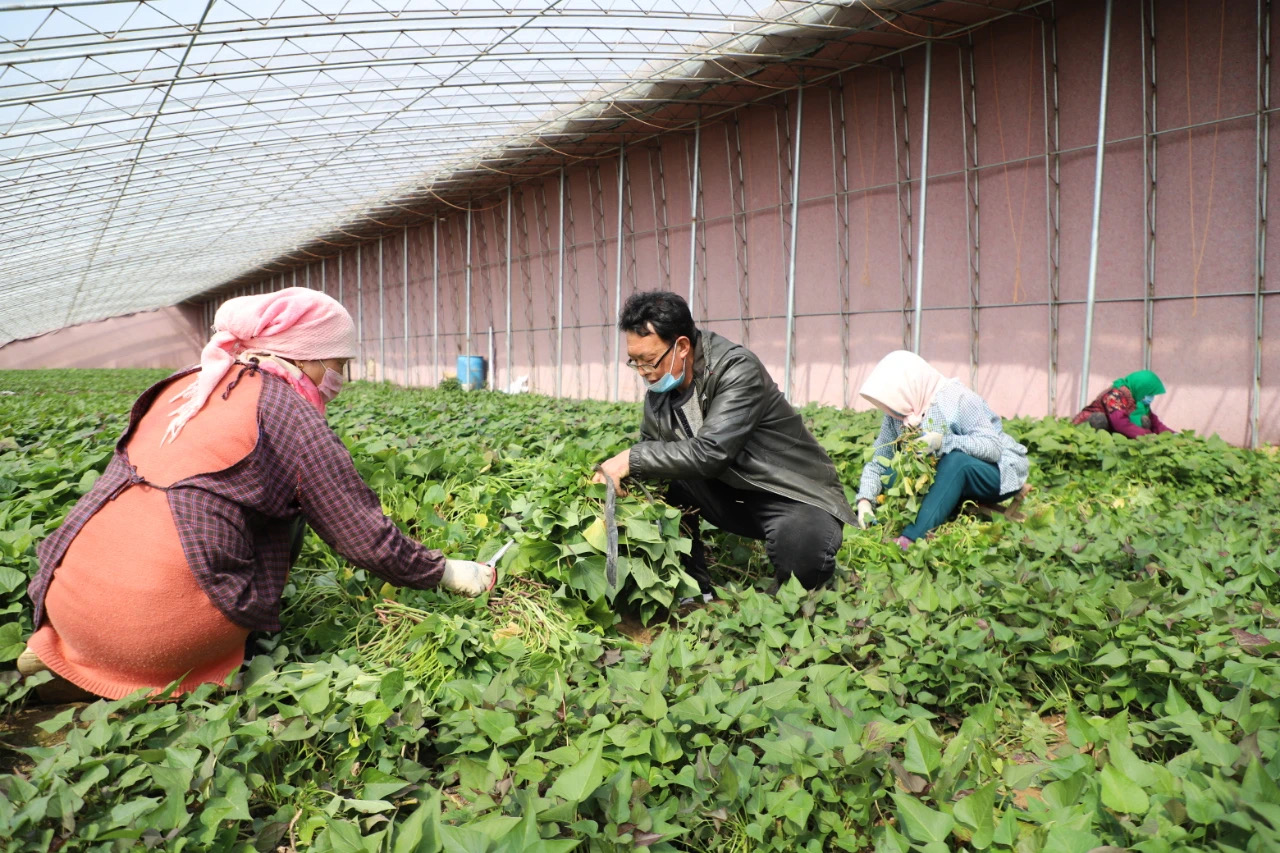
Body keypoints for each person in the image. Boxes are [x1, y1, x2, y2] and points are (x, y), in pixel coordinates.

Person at [17, 287, 493, 703]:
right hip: (165, 634)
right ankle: (177, 665)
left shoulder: (188, 384)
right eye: (337, 363)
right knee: (300, 501)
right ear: (306, 355)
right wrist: (449, 572)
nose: (340, 378)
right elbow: (362, 536)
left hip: (68, 602)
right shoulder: (288, 412)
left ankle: (70, 655)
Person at [591, 291, 855, 594]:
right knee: (663, 484)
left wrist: (629, 458)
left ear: (682, 346)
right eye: (635, 362)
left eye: (649, 361)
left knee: (802, 551)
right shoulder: (659, 395)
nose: (645, 374)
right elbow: (655, 451)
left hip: (787, 491)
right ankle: (695, 589)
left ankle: (781, 604)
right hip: (730, 492)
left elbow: (711, 452)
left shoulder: (736, 369)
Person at [855, 350, 1029, 550]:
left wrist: (944, 442)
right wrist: (865, 501)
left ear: (909, 387)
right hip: (950, 479)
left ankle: (910, 539)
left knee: (956, 462)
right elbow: (879, 459)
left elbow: (993, 448)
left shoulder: (958, 399)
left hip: (997, 473)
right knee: (894, 471)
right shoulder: (899, 413)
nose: (892, 410)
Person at [1072, 370, 1175, 438]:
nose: (1151, 397)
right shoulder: (1114, 396)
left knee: (1144, 420)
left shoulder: (1138, 400)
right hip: (1087, 427)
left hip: (1109, 432)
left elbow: (1155, 423)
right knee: (1099, 419)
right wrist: (1147, 436)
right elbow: (1120, 423)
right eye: (1149, 393)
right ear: (1141, 388)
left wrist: (1174, 435)